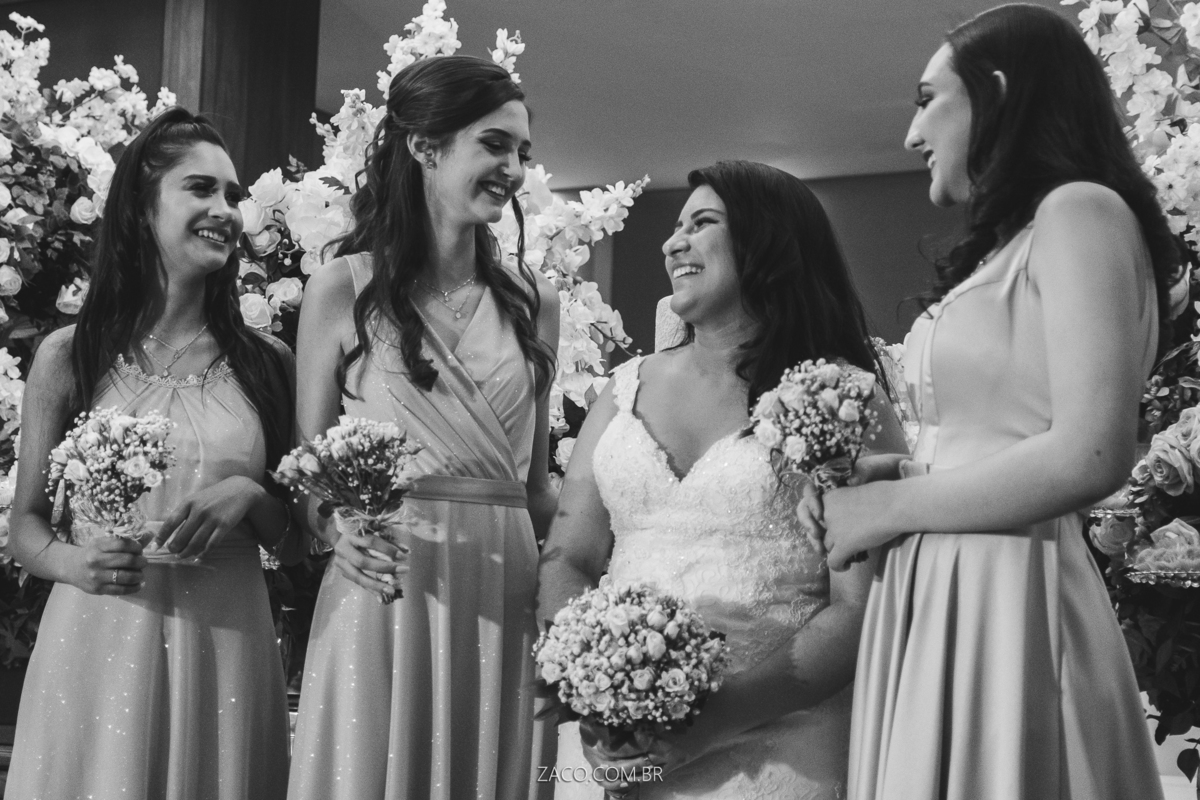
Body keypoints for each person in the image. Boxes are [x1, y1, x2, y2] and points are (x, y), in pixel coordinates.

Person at [801, 5, 1175, 799]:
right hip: (947, 581)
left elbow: (1092, 451)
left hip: (1010, 591)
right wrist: (891, 474)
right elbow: (997, 432)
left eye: (926, 100)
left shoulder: (1079, 209)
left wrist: (888, 509)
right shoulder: (1022, 240)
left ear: (996, 91)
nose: (912, 134)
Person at [537, 160, 909, 799]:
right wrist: (591, 685)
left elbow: (860, 605)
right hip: (617, 746)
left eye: (701, 224)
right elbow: (569, 554)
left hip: (779, 742)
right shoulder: (624, 388)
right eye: (675, 227)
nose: (671, 243)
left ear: (766, 243)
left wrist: (705, 725)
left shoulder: (840, 400)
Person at [287, 55, 559, 800]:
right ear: (425, 146)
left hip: (505, 590)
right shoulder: (340, 289)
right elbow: (306, 474)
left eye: (522, 152)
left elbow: (537, 490)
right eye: (495, 145)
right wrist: (333, 526)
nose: (513, 169)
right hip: (386, 585)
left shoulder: (535, 303)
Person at [4, 107, 295, 799]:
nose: (225, 210)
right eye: (201, 188)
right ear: (141, 206)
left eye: (232, 194)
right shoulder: (69, 356)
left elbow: (300, 537)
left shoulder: (269, 363)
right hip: (98, 637)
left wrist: (251, 495)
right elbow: (26, 528)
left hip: (227, 643)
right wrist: (76, 562)